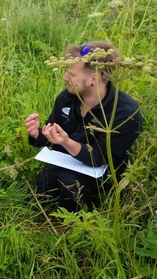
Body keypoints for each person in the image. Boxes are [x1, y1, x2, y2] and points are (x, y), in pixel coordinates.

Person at [25, 41, 143, 212]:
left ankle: (71, 226)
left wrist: (66, 141)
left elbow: (99, 158)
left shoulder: (126, 113)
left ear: (93, 79)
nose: (64, 78)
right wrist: (37, 134)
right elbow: (53, 137)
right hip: (67, 159)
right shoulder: (66, 97)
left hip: (102, 170)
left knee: (69, 182)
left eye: (71, 74)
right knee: (39, 190)